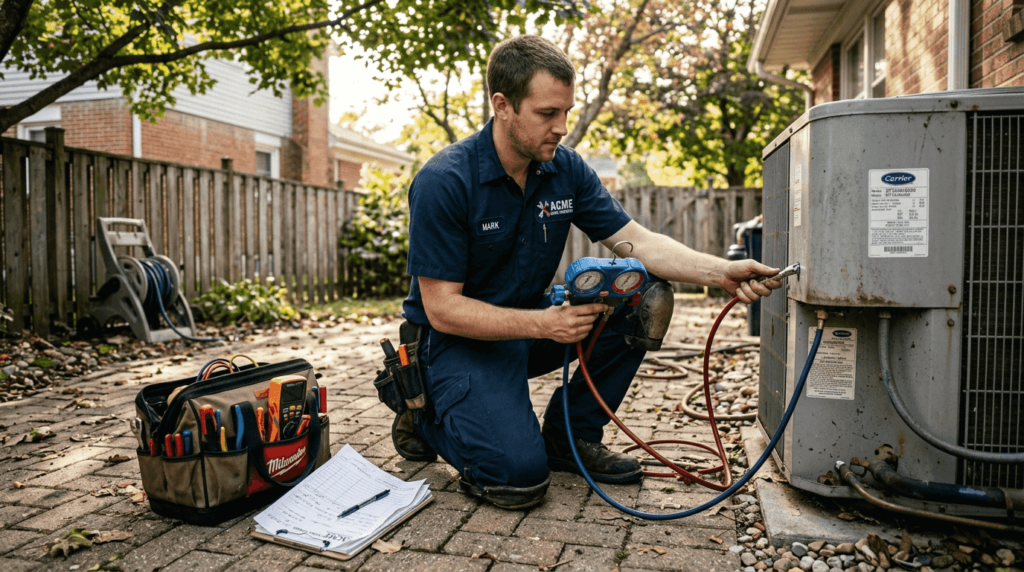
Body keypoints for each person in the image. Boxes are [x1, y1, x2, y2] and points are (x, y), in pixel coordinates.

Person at [393, 34, 780, 509]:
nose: (562, 127)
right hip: (454, 340)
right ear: (503, 105)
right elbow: (443, 309)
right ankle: (421, 409)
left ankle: (569, 438)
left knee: (644, 297)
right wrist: (543, 324)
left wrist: (722, 272)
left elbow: (640, 242)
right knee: (517, 480)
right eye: (547, 114)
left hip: (532, 324)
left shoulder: (565, 170)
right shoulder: (445, 181)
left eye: (566, 113)